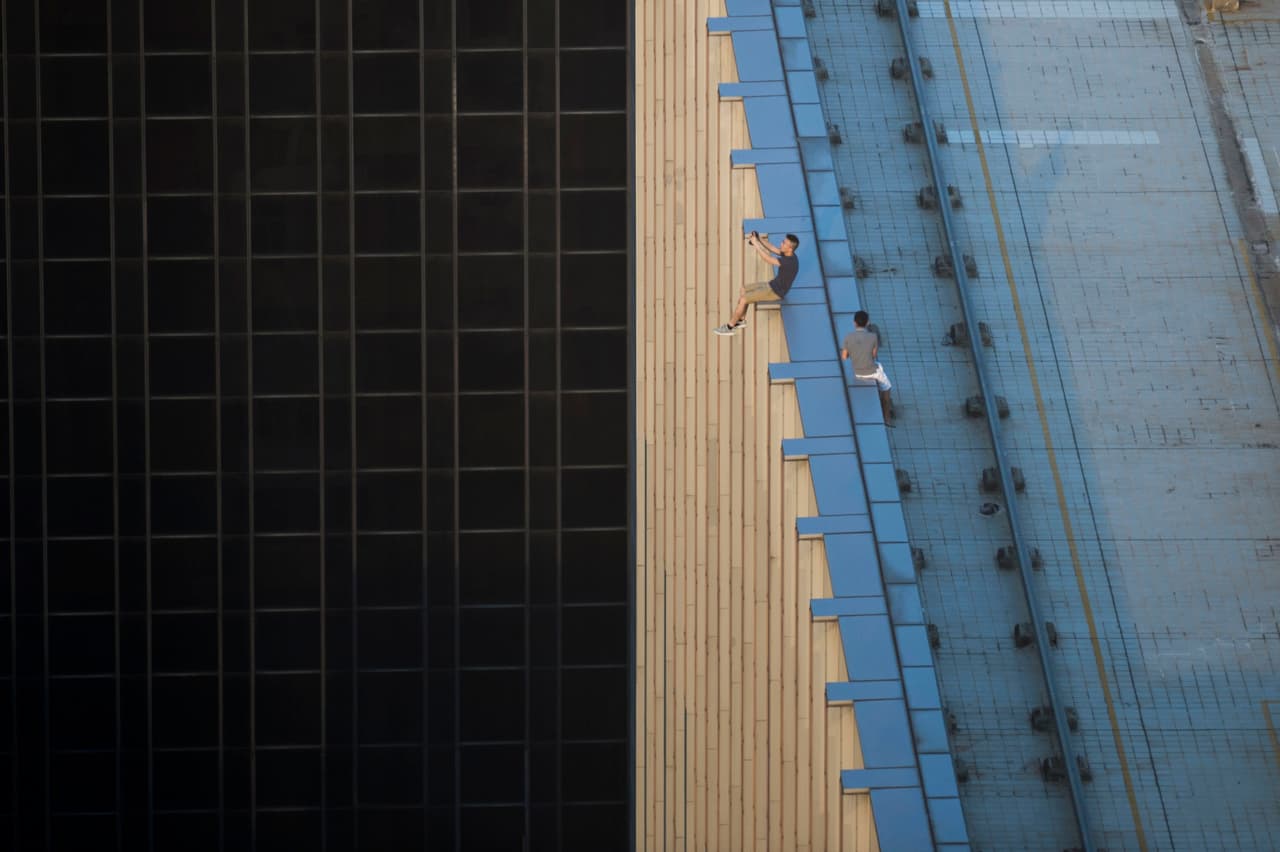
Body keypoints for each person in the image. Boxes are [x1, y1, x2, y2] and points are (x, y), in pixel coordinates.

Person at [713, 231, 800, 336]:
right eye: (783, 241)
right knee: (743, 289)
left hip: (775, 292)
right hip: (772, 284)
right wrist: (758, 238)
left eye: (784, 243)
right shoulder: (789, 254)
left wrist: (755, 244)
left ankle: (730, 327)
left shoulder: (788, 262)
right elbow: (772, 248)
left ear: (790, 248)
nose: (781, 244)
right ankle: (741, 320)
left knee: (743, 299)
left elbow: (767, 258)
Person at [840, 310, 894, 424]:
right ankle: (887, 416)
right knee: (887, 386)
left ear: (854, 323)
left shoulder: (848, 337)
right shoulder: (873, 337)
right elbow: (874, 356)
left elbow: (844, 356)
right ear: (867, 322)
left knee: (879, 369)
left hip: (857, 372)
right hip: (871, 371)